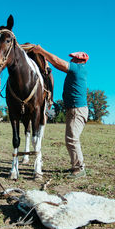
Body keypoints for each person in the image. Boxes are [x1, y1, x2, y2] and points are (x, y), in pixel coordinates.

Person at [30, 44, 89, 179]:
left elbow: (57, 62)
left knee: (72, 138)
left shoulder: (78, 69)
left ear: (80, 61)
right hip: (74, 109)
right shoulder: (77, 69)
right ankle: (77, 165)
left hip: (77, 110)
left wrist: (41, 51)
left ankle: (79, 169)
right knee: (71, 138)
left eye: (74, 58)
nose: (71, 60)